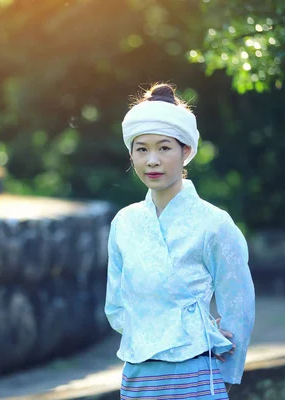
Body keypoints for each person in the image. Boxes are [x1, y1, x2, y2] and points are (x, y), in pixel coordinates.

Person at [105, 83, 255, 399]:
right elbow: (117, 306)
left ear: (186, 151)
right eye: (141, 149)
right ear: (131, 154)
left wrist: (215, 351)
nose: (152, 161)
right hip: (138, 374)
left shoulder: (214, 223)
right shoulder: (125, 223)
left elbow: (238, 304)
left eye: (164, 148)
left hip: (197, 374)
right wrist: (164, 327)